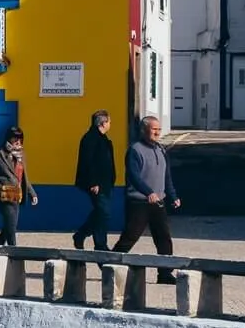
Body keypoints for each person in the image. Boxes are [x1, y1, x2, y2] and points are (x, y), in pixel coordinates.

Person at [115, 115, 180, 280]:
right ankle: (111, 264)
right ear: (144, 130)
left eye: (159, 129)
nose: (157, 132)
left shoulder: (161, 150)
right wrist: (148, 192)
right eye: (154, 129)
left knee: (163, 237)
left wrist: (172, 195)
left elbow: (167, 176)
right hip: (139, 202)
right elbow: (134, 176)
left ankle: (165, 273)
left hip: (158, 202)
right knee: (130, 237)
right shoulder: (135, 150)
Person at [72, 109, 116, 251]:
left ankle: (81, 234)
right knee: (103, 212)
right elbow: (88, 162)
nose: (110, 124)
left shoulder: (103, 139)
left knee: (101, 211)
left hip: (105, 183)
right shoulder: (90, 138)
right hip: (96, 184)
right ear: (103, 123)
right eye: (109, 121)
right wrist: (93, 182)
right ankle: (100, 244)